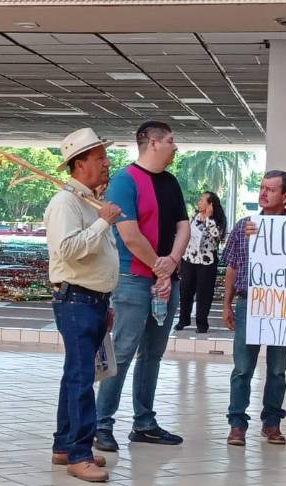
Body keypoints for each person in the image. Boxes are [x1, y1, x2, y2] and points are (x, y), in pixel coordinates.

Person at [94, 120, 189, 452]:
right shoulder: (124, 182)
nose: (175, 147)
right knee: (122, 352)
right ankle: (101, 423)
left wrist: (171, 264)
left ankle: (144, 423)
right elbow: (129, 235)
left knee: (153, 354)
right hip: (134, 280)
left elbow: (183, 226)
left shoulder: (171, 183)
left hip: (167, 279)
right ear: (152, 143)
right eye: (171, 141)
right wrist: (159, 269)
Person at [45, 127, 122, 482]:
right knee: (80, 378)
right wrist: (103, 224)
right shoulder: (66, 203)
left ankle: (64, 445)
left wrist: (105, 299)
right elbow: (69, 250)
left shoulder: (89, 203)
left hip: (92, 300)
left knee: (75, 375)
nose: (106, 163)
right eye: (99, 157)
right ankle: (79, 453)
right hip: (75, 299)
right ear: (79, 164)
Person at [223, 170, 286, 447]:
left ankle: (272, 422)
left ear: (285, 196)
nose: (263, 193)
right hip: (247, 301)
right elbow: (232, 266)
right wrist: (227, 303)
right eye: (262, 187)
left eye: (271, 190)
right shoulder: (244, 226)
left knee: (277, 369)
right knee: (242, 367)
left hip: (283, 305)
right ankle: (237, 423)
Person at [175, 191, 226, 334]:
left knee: (204, 293)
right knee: (185, 290)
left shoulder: (217, 220)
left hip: (207, 262)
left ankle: (202, 323)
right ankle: (183, 319)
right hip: (190, 259)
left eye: (202, 200)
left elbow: (217, 237)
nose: (199, 202)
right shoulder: (193, 218)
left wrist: (209, 218)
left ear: (210, 204)